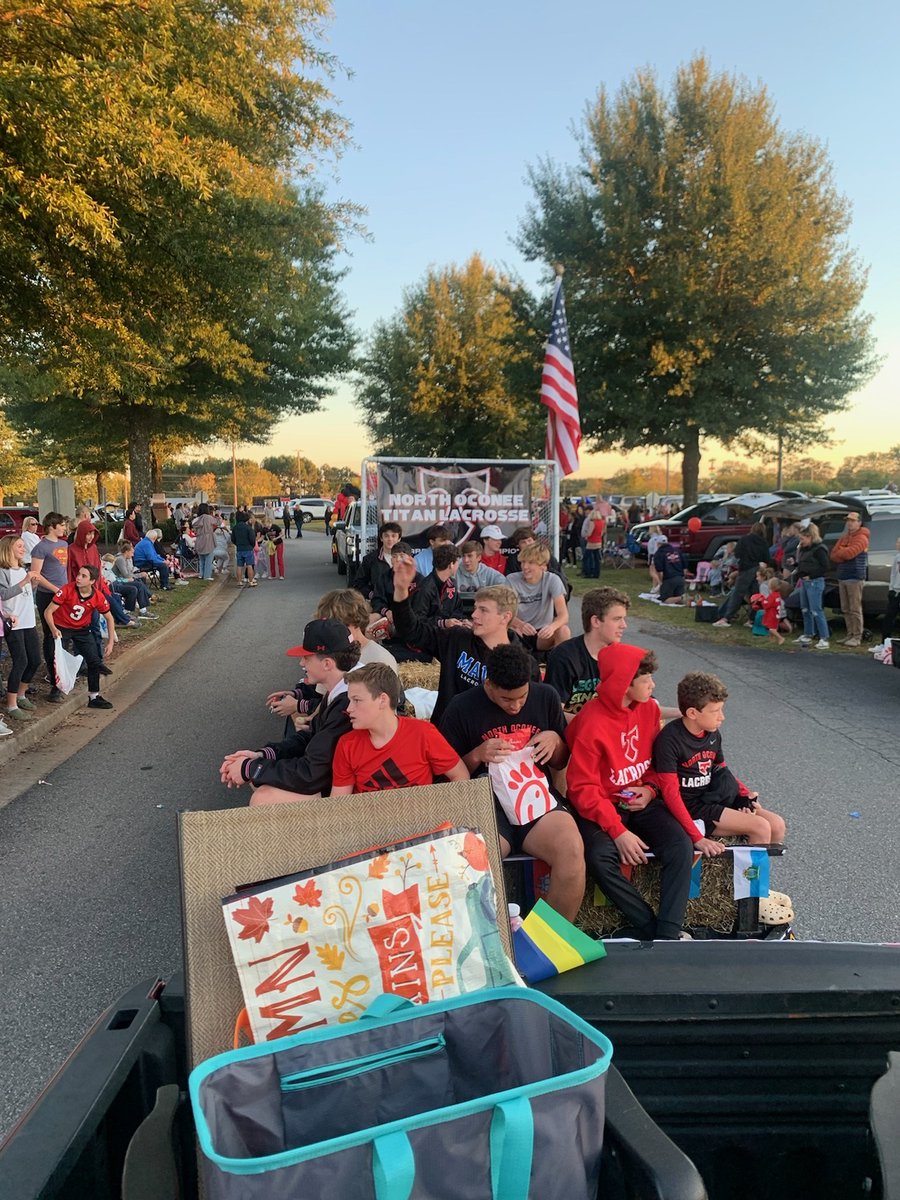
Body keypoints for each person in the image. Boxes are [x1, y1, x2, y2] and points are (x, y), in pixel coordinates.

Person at [565, 643, 724, 941]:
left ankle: (667, 934)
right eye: (646, 679)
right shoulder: (591, 721)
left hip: (641, 800)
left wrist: (650, 790)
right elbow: (581, 789)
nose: (653, 685)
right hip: (603, 808)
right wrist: (617, 831)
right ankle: (649, 927)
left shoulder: (649, 709)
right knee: (599, 857)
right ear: (624, 684)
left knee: (681, 846)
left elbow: (656, 764)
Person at [440, 644, 586, 921]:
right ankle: (491, 941)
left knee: (572, 849)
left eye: (522, 697)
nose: (516, 706)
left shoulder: (545, 697)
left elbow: (560, 762)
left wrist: (556, 741)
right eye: (507, 699)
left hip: (534, 797)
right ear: (489, 684)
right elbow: (445, 775)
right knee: (474, 861)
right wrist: (476, 755)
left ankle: (549, 942)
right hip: (488, 803)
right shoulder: (461, 707)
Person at [219, 619, 360, 802]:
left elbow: (312, 774)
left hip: (353, 796)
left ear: (327, 663)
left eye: (306, 658)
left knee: (264, 797)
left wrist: (251, 768)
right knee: (261, 782)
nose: (301, 663)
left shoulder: (348, 701)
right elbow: (311, 738)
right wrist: (260, 755)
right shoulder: (343, 687)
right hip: (331, 779)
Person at [392, 550, 538, 724]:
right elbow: (412, 631)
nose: (474, 615)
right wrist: (401, 591)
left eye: (483, 610)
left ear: (505, 617)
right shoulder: (456, 639)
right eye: (475, 608)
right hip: (449, 734)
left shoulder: (524, 663)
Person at [653, 672, 786, 846]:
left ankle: (758, 871)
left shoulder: (712, 733)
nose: (721, 716)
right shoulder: (670, 740)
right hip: (692, 807)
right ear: (693, 713)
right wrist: (697, 837)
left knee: (777, 825)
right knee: (760, 827)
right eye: (715, 711)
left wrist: (745, 795)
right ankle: (747, 872)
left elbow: (721, 769)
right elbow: (670, 794)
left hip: (712, 797)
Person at [330, 663, 468, 794]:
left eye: (357, 700)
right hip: (369, 817)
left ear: (382, 700)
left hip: (420, 816)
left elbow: (460, 775)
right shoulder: (347, 744)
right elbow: (340, 803)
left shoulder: (423, 733)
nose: (348, 709)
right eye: (350, 701)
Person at [266, 589, 400, 723]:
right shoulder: (338, 651)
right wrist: (297, 694)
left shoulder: (380, 659)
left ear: (353, 623)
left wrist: (299, 706)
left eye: (335, 626)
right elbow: (324, 696)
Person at [545, 586, 629, 718]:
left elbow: (640, 701)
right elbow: (555, 712)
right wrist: (595, 727)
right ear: (596, 621)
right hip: (574, 730)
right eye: (617, 619)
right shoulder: (565, 657)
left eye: (623, 619)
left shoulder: (622, 656)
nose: (624, 625)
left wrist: (674, 712)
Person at [44, 565, 115, 709]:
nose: (78, 578)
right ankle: (55, 688)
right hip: (61, 627)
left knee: (94, 661)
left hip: (81, 629)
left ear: (92, 581)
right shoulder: (67, 589)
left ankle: (94, 696)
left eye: (84, 576)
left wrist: (110, 642)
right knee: (54, 657)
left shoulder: (97, 596)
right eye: (78, 575)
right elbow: (48, 611)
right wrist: (53, 628)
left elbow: (109, 618)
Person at [0, 535, 42, 722]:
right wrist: (25, 581)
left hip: (28, 621)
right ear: (8, 548)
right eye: (19, 546)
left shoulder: (22, 569)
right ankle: (11, 704)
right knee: (21, 661)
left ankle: (21, 694)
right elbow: (4, 594)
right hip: (14, 623)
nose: (23, 549)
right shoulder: (3, 571)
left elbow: (24, 593)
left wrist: (32, 585)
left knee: (34, 660)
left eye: (23, 546)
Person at [30, 512, 70, 702]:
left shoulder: (63, 544)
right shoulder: (40, 548)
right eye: (61, 525)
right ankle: (54, 682)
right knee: (51, 636)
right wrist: (55, 589)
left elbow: (63, 570)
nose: (64, 528)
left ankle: (64, 674)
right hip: (48, 596)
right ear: (52, 526)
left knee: (66, 634)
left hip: (64, 595)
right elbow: (35, 575)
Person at [506, 543, 570, 652]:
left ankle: (560, 665)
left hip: (542, 633)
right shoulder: (511, 580)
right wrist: (520, 624)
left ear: (543, 566)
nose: (525, 567)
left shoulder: (552, 579)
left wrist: (552, 627)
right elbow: (504, 612)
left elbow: (563, 615)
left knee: (564, 630)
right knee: (508, 629)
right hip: (519, 630)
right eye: (523, 562)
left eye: (531, 563)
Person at [713, 523, 770, 627]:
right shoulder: (764, 543)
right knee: (756, 595)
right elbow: (767, 558)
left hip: (745, 568)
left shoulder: (745, 539)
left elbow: (738, 553)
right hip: (757, 569)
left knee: (737, 593)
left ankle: (726, 617)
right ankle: (752, 619)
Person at [830, 512, 870, 647]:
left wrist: (842, 551)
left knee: (855, 608)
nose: (850, 523)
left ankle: (857, 636)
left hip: (855, 576)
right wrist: (843, 551)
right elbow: (833, 555)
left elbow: (849, 554)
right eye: (848, 521)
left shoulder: (862, 538)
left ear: (859, 523)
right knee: (845, 608)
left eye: (853, 521)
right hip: (843, 576)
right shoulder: (844, 537)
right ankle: (849, 634)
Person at [794, 522, 831, 649]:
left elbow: (825, 566)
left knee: (816, 610)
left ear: (810, 536)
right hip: (804, 582)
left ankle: (824, 637)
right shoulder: (804, 549)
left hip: (814, 582)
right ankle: (808, 633)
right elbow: (804, 564)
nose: (801, 541)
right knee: (805, 609)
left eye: (802, 538)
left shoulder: (820, 549)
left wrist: (811, 576)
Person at [412, 542, 465, 627]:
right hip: (429, 637)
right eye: (457, 562)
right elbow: (418, 619)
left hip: (449, 634)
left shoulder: (452, 584)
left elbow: (458, 609)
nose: (458, 565)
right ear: (451, 564)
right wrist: (443, 623)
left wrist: (459, 621)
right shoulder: (425, 587)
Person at [353, 522, 402, 605]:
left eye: (393, 536)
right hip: (377, 605)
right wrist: (373, 595)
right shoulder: (370, 559)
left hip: (401, 604)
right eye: (386, 536)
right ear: (381, 538)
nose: (390, 539)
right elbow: (358, 584)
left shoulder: (407, 560)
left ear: (399, 539)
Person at [652, 536, 689, 603]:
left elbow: (660, 571)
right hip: (680, 578)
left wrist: (661, 583)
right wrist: (683, 577)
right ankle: (689, 598)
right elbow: (685, 567)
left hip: (669, 579)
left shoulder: (658, 554)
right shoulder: (677, 550)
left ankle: (684, 598)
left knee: (665, 599)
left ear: (658, 544)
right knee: (676, 598)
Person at [881, 537, 900, 643]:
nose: (896, 544)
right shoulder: (897, 557)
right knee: (889, 617)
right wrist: (891, 588)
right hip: (895, 591)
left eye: (898, 542)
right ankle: (885, 642)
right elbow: (893, 574)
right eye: (897, 542)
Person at [230, 511, 257, 587]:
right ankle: (250, 581)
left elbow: (233, 539)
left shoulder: (235, 528)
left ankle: (239, 582)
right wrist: (252, 545)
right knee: (249, 565)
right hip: (248, 548)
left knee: (239, 566)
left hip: (239, 548)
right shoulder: (248, 528)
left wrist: (237, 544)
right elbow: (252, 539)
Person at [193, 503, 218, 581]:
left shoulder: (196, 519)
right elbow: (217, 522)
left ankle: (201, 574)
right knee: (208, 558)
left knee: (201, 559)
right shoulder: (209, 518)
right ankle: (207, 575)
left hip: (199, 539)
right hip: (208, 539)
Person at [580, 507, 605, 579]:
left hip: (591, 542)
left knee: (586, 558)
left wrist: (586, 535)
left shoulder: (592, 522)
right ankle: (596, 573)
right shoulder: (601, 522)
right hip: (598, 541)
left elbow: (589, 533)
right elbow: (602, 533)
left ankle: (587, 573)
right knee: (597, 559)